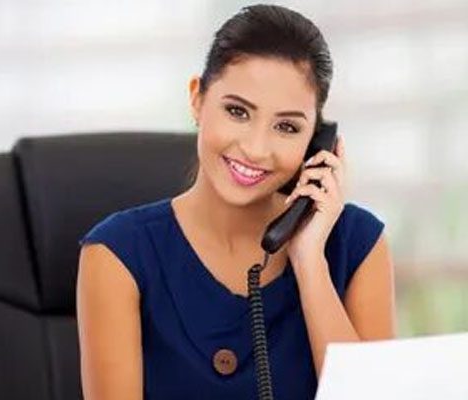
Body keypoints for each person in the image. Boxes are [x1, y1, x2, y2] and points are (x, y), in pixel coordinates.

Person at [76, 4, 396, 399]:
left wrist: (309, 261)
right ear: (197, 99)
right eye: (237, 111)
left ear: (318, 142)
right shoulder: (118, 253)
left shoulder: (357, 244)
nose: (256, 148)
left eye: (286, 127)